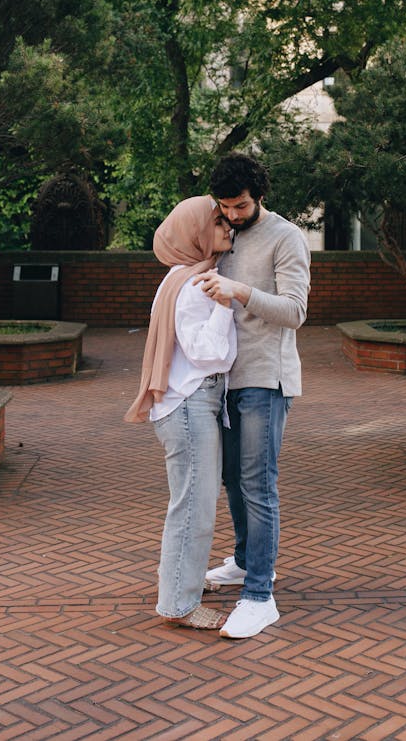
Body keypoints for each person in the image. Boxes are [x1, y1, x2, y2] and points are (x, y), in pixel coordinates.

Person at [194, 153, 310, 639]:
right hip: (226, 381)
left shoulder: (287, 237)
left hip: (267, 379)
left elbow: (295, 312)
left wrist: (240, 291)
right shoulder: (224, 231)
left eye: (240, 205)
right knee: (231, 480)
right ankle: (244, 563)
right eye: (225, 206)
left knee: (258, 484)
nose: (233, 215)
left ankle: (261, 596)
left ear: (260, 195)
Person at [124, 195, 236, 630]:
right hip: (191, 404)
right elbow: (208, 354)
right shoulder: (193, 286)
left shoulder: (184, 277)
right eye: (217, 222)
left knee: (192, 502)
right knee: (193, 506)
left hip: (189, 404)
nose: (227, 227)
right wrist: (226, 306)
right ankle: (179, 604)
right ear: (195, 234)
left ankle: (181, 582)